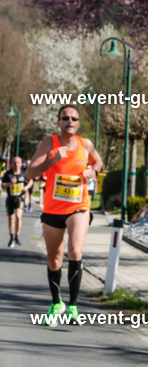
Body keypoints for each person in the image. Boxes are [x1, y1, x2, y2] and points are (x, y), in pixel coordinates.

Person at [26, 106, 103, 323]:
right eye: (65, 118)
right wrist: (52, 160)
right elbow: (30, 172)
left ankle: (73, 307)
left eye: (74, 118)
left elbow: (98, 161)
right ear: (58, 122)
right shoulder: (49, 143)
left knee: (75, 251)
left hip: (78, 205)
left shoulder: (85, 144)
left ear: (78, 123)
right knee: (54, 259)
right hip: (52, 209)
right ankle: (56, 303)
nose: (70, 121)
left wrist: (93, 171)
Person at [2, 156, 31, 247]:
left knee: (18, 216)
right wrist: (10, 183)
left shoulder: (24, 173)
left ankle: (17, 236)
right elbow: (2, 186)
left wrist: (26, 187)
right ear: (12, 164)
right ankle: (11, 237)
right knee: (11, 219)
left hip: (19, 198)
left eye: (18, 163)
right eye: (14, 163)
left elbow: (31, 181)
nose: (16, 164)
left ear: (21, 164)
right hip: (10, 199)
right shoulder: (8, 174)